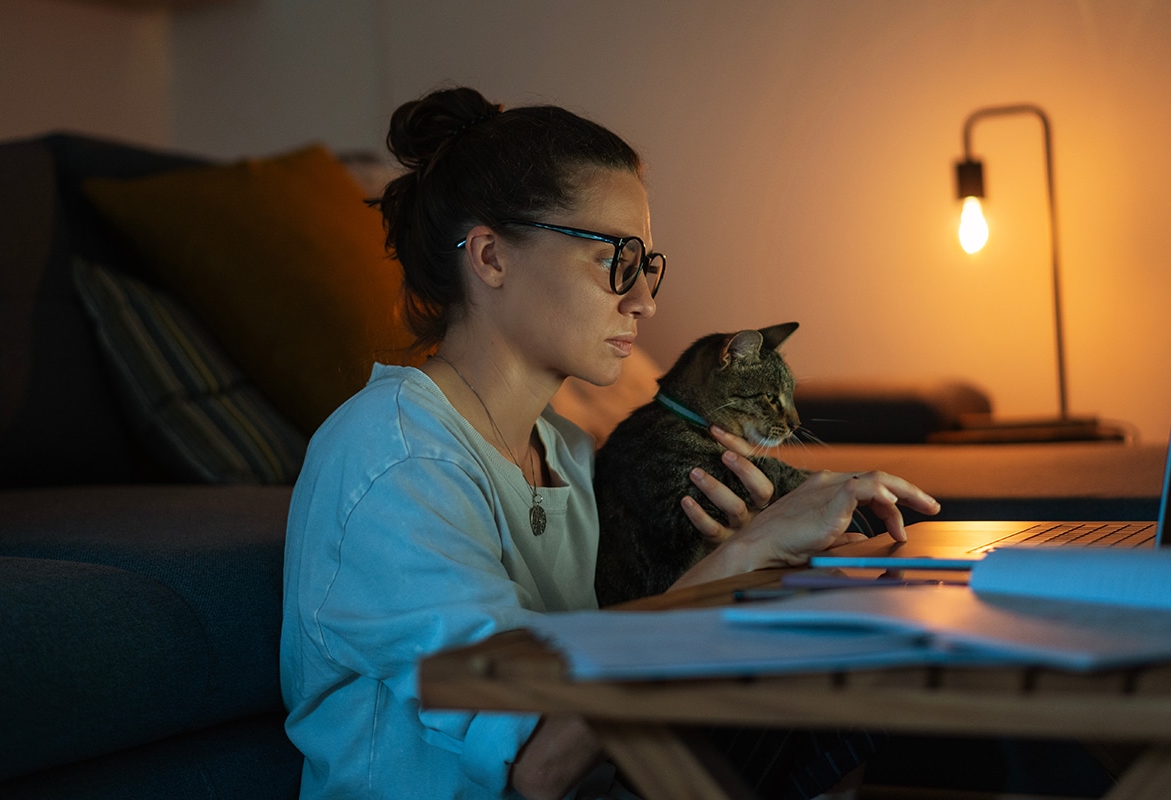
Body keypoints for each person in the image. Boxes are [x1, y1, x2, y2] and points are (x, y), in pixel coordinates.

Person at [279, 86, 941, 800]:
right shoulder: (393, 460)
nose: (644, 301)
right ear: (492, 257)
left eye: (647, 265)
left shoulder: (561, 449)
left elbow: (608, 673)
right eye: (616, 260)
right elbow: (537, 762)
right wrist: (743, 556)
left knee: (854, 669)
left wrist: (749, 555)